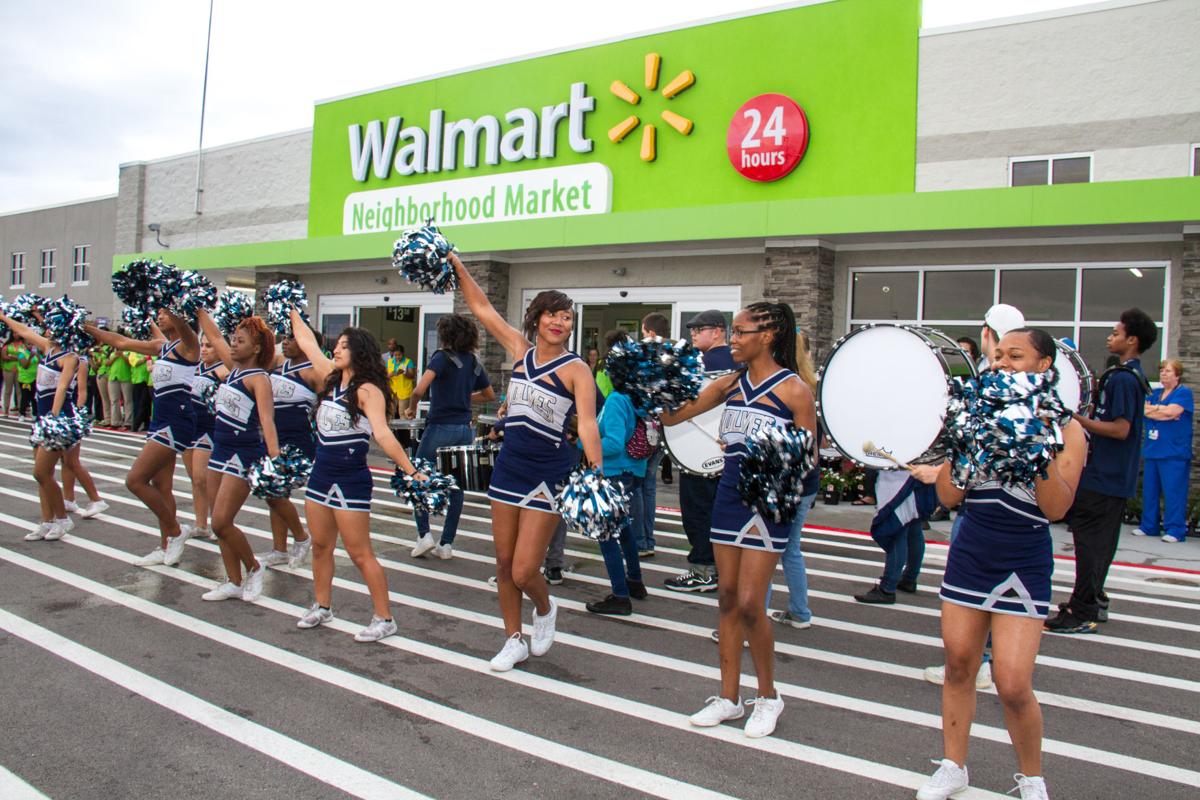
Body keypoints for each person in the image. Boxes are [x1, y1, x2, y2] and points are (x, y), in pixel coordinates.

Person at [915, 328, 1085, 800]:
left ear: (1044, 366)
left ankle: (1032, 778)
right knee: (959, 664)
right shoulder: (973, 418)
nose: (1003, 363)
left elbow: (1056, 509)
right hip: (971, 551)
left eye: (1016, 355)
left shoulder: (1067, 428)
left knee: (1011, 683)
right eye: (998, 356)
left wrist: (1034, 440)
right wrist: (966, 444)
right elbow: (948, 496)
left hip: (1024, 558)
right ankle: (953, 765)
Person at [662, 301, 816, 739]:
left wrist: (776, 470)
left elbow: (809, 458)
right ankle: (729, 698)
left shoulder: (794, 391)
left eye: (740, 332)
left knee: (752, 604)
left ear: (766, 336)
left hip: (769, 504)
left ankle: (768, 696)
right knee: (727, 599)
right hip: (728, 499)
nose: (733, 339)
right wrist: (656, 388)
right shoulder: (729, 384)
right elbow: (676, 416)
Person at [450, 252, 603, 672]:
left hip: (548, 472)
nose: (560, 322)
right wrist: (459, 266)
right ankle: (513, 638)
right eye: (552, 314)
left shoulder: (576, 370)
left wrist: (596, 469)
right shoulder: (519, 350)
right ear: (536, 319)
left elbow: (587, 424)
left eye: (567, 317)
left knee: (523, 570)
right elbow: (482, 308)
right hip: (509, 466)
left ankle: (545, 606)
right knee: (502, 563)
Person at [288, 309, 425, 642]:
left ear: (359, 353)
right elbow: (307, 343)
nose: (335, 349)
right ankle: (322, 605)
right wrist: (290, 308)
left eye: (343, 346)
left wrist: (411, 470)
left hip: (350, 479)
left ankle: (384, 618)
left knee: (359, 552)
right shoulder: (330, 379)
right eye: (336, 345)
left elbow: (383, 434)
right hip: (321, 475)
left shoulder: (368, 391)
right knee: (320, 545)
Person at [1045, 308, 1156, 634]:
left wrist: (1074, 419)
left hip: (1104, 475)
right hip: (1114, 476)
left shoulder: (1122, 379)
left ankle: (1082, 610)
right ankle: (1093, 598)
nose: (1110, 337)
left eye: (1116, 333)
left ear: (1131, 340)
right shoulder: (1130, 376)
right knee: (1100, 543)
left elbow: (1120, 429)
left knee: (1090, 543)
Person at [85, 310, 200, 566]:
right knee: (162, 486)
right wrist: (91, 330)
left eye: (164, 314)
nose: (160, 318)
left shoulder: (190, 346)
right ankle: (165, 545)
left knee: (135, 480)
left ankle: (176, 531)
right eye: (158, 314)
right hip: (159, 418)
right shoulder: (162, 346)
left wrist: (175, 306)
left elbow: (185, 326)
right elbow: (122, 343)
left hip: (176, 420)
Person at [191, 308, 283, 601]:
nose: (232, 344)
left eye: (240, 341)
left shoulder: (259, 378)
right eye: (233, 339)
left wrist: (274, 458)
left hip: (243, 453)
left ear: (256, 347)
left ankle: (254, 568)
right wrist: (196, 306)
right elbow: (215, 334)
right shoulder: (233, 369)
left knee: (220, 521)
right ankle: (233, 580)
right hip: (220, 449)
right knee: (219, 523)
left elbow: (267, 421)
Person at [407, 314, 496, 560]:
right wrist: (464, 398)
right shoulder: (474, 362)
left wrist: (412, 406)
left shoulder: (441, 358)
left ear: (446, 334)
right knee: (457, 486)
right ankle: (446, 544)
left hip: (440, 428)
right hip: (464, 430)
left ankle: (424, 535)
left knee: (419, 478)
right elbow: (489, 395)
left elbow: (419, 389)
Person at [664, 309, 735, 593]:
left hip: (695, 454)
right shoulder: (740, 362)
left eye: (699, 329)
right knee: (724, 513)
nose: (692, 334)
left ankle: (704, 570)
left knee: (697, 513)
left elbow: (671, 404)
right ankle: (725, 569)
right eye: (691, 330)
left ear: (718, 331)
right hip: (730, 453)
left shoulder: (693, 364)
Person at [0, 310, 81, 540]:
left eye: (50, 325)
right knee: (43, 474)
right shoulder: (47, 348)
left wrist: (53, 419)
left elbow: (62, 388)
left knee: (41, 472)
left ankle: (63, 519)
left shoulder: (70, 357)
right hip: (42, 418)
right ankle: (46, 521)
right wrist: (4, 318)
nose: (45, 328)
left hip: (58, 419)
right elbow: (23, 330)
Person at [585, 330, 649, 616]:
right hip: (634, 471)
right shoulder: (640, 399)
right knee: (624, 532)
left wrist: (582, 442)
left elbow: (612, 442)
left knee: (607, 535)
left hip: (614, 473)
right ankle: (634, 581)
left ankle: (619, 595)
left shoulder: (616, 401)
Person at [766, 330, 822, 629]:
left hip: (786, 483)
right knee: (790, 549)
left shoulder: (787, 388)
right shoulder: (810, 386)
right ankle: (800, 611)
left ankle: (754, 620)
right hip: (807, 482)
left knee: (763, 549)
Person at [256, 329, 322, 568]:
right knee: (275, 493)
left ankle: (302, 537)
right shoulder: (277, 367)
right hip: (275, 438)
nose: (285, 342)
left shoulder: (314, 373)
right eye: (283, 338)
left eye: (291, 339)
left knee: (274, 491)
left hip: (300, 442)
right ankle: (280, 549)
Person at [854, 468, 937, 604]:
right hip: (919, 472)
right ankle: (909, 579)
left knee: (897, 528)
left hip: (901, 478)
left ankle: (888, 588)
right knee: (913, 528)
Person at [1135, 358, 1192, 543]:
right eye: (1161, 371)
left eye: (1167, 371)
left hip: (1174, 452)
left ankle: (1175, 530)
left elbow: (1172, 412)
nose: (1163, 374)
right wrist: (1160, 410)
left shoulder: (1183, 393)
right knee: (1150, 491)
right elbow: (1143, 410)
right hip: (1153, 450)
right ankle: (1149, 526)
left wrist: (1159, 411)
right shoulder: (1155, 393)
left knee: (1173, 492)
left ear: (1177, 375)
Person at [181, 334, 228, 541]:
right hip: (189, 425)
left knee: (203, 477)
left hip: (208, 427)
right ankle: (200, 524)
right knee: (194, 479)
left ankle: (219, 521)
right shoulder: (194, 367)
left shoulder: (224, 369)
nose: (204, 349)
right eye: (202, 345)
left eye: (209, 346)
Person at [637, 312, 671, 557]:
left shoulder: (644, 356)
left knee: (637, 487)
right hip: (663, 429)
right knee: (649, 487)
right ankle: (648, 539)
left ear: (649, 331)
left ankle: (641, 540)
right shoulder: (675, 357)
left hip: (642, 428)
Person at [60, 350, 107, 519]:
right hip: (60, 413)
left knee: (72, 461)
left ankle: (96, 499)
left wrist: (77, 416)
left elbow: (82, 391)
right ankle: (68, 498)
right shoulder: (59, 356)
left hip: (69, 414)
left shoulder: (79, 361)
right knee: (65, 460)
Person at [386, 340, 416, 416]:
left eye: (399, 355)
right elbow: (385, 376)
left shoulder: (408, 362)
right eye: (395, 355)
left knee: (403, 413)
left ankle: (404, 428)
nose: (397, 357)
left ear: (403, 354)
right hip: (392, 391)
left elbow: (412, 376)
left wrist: (405, 373)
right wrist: (390, 374)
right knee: (390, 413)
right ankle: (389, 428)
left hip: (404, 391)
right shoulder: (389, 362)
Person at [106, 343, 132, 429]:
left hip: (126, 377)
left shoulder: (128, 352)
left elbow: (130, 363)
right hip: (113, 377)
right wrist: (115, 357)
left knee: (128, 400)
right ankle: (115, 422)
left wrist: (123, 356)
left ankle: (128, 422)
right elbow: (107, 363)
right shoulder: (112, 353)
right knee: (114, 400)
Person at [15, 337, 38, 421]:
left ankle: (35, 413)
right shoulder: (21, 353)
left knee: (34, 397)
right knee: (25, 396)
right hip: (25, 379)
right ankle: (21, 413)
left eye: (32, 344)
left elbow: (40, 362)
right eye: (29, 344)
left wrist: (37, 355)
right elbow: (25, 365)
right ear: (25, 345)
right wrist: (30, 357)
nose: (31, 346)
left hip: (34, 378)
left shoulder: (35, 353)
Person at [2, 336, 20, 415]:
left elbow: (25, 357)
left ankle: (20, 409)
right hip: (8, 370)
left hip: (19, 370)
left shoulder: (23, 345)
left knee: (19, 391)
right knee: (8, 390)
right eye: (14, 333)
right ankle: (6, 409)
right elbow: (4, 357)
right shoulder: (8, 345)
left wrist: (11, 356)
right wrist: (16, 357)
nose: (15, 335)